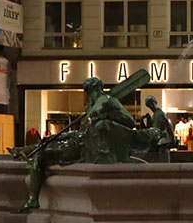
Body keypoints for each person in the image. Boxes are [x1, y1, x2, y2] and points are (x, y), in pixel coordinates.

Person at [9, 77, 159, 211]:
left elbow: (130, 122)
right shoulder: (93, 106)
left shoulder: (108, 101)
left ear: (95, 89)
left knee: (42, 154)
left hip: (85, 146)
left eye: (89, 91)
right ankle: (24, 152)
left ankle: (33, 198)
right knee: (47, 145)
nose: (88, 95)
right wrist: (58, 136)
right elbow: (82, 132)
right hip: (81, 141)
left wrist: (106, 117)